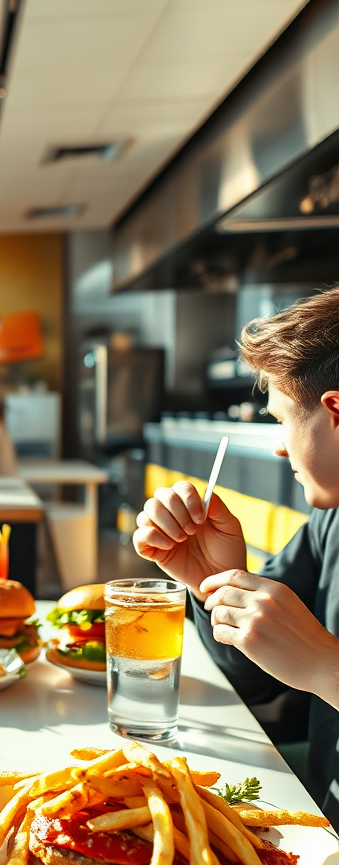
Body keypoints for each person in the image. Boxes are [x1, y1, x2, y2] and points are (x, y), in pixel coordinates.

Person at [132, 288, 339, 826]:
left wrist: (325, 665)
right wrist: (216, 582)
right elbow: (256, 680)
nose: (278, 445)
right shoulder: (331, 518)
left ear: (335, 412)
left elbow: (310, 665)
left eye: (282, 420)